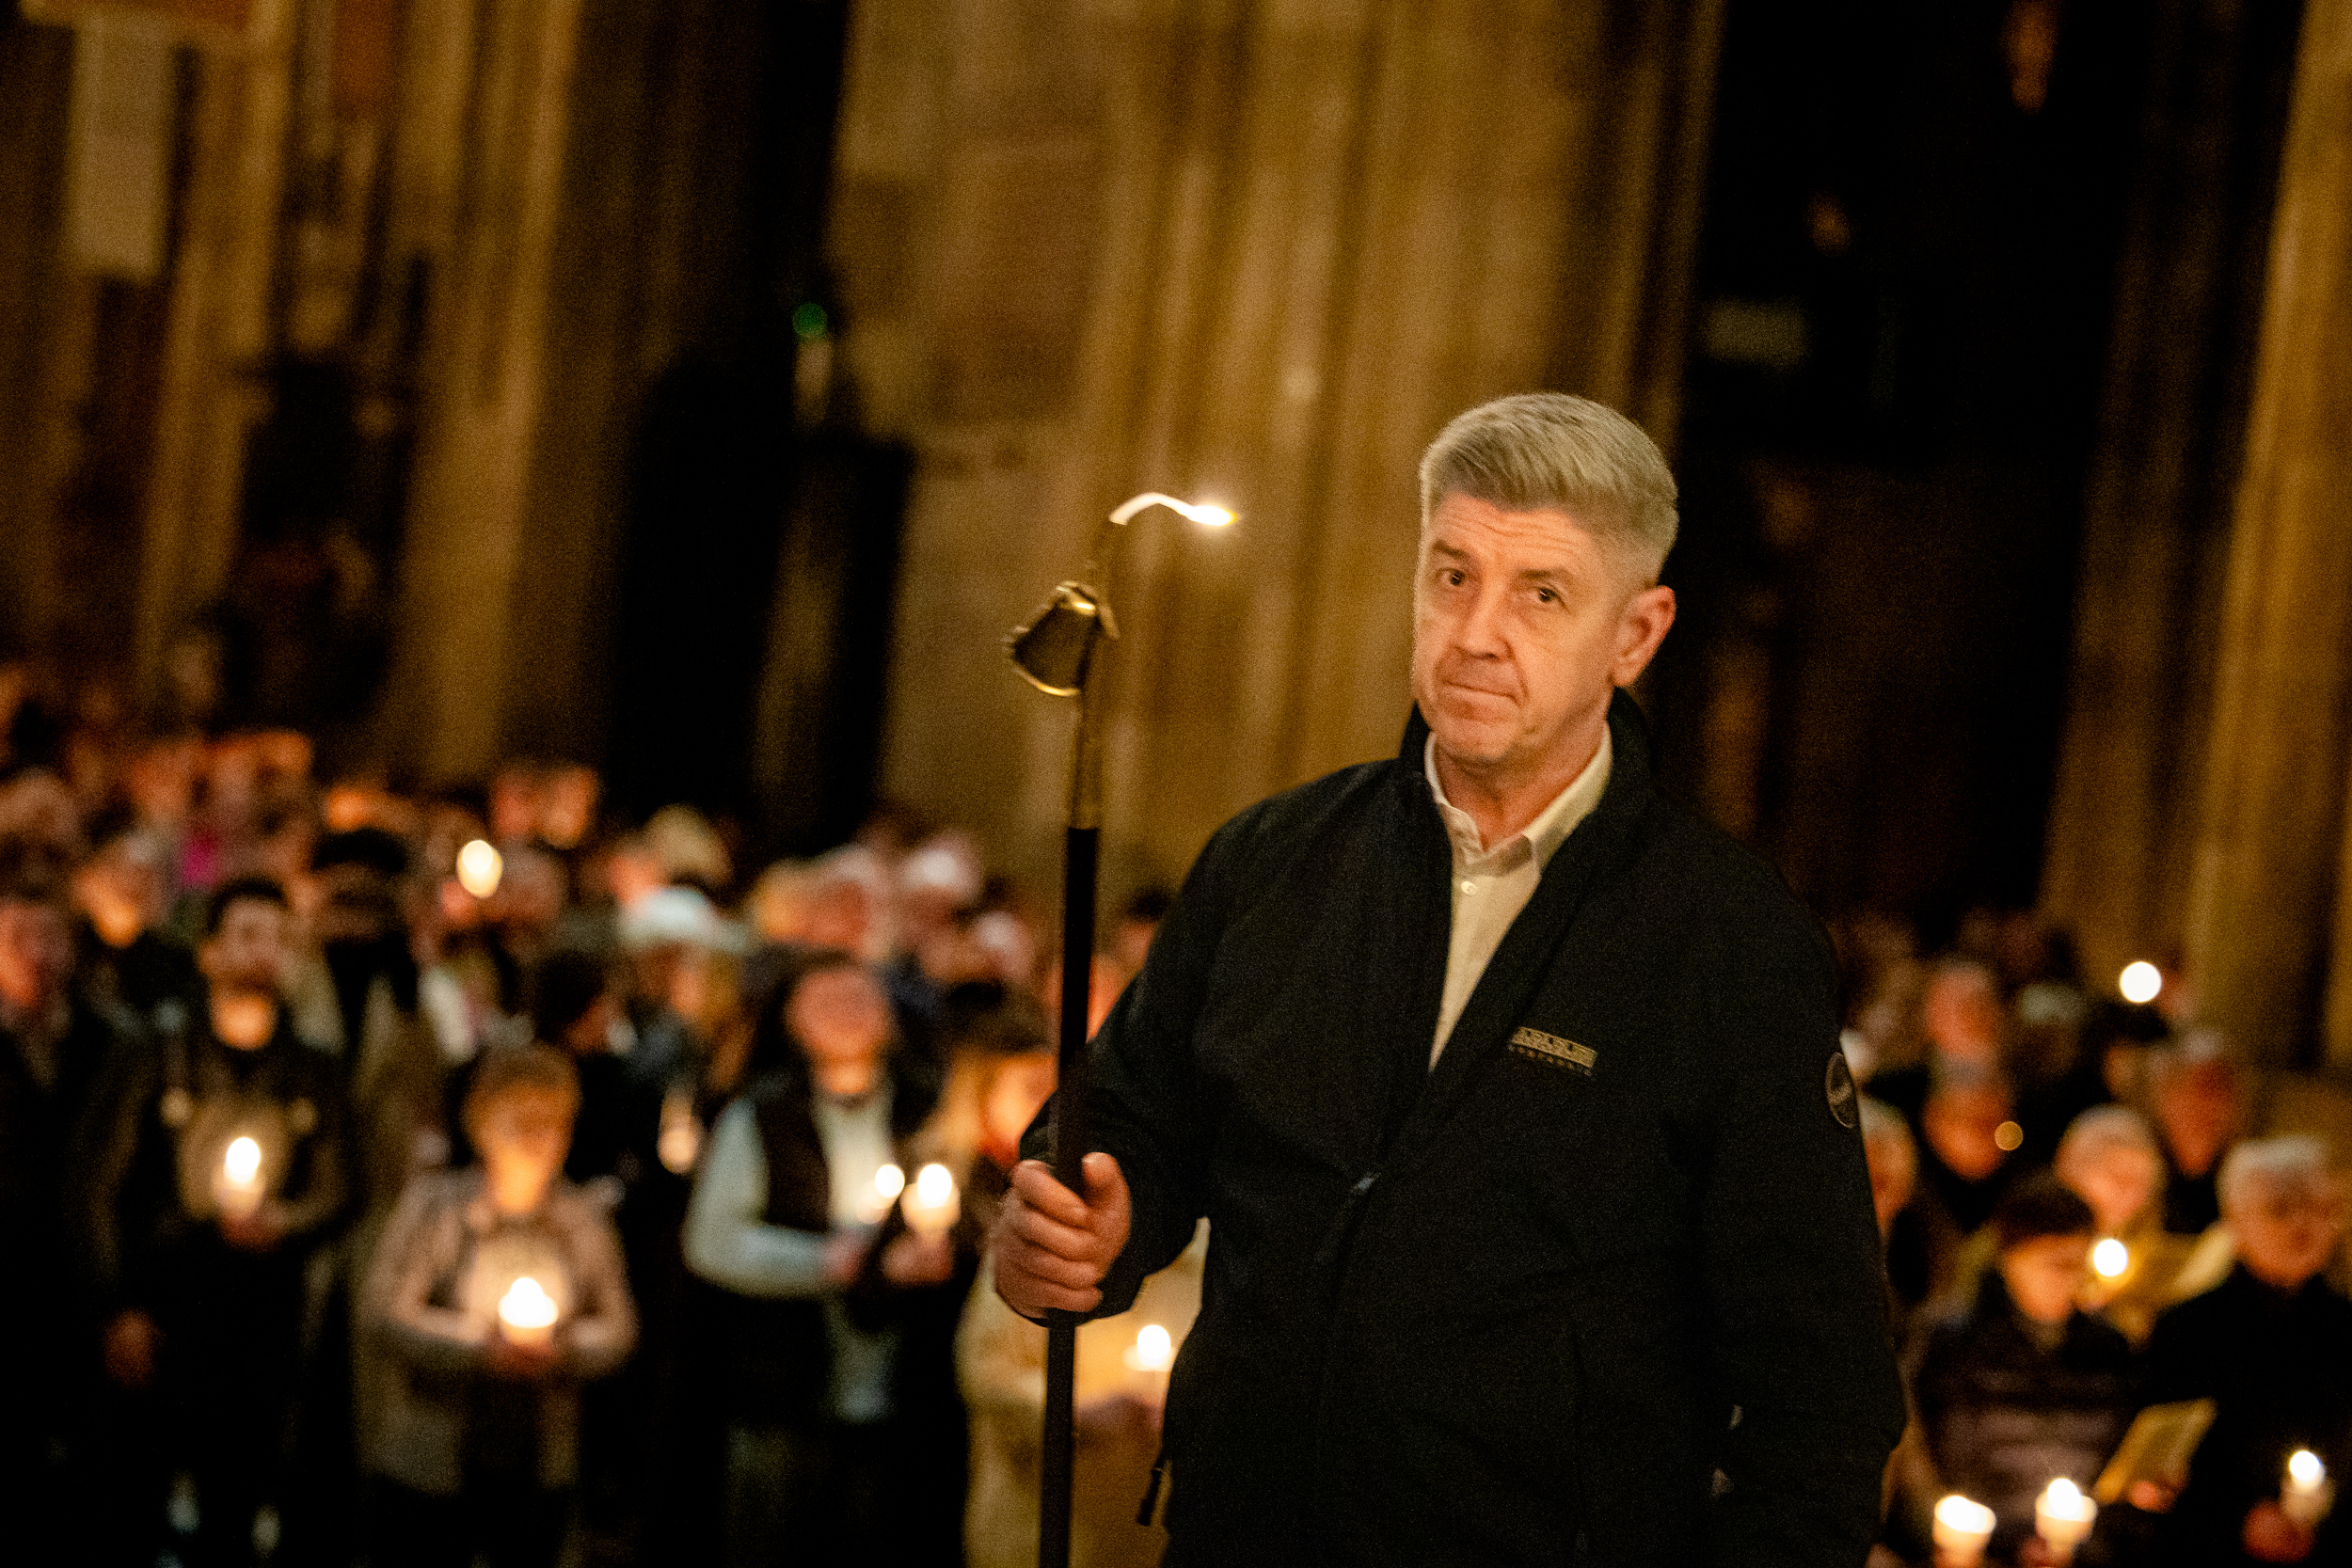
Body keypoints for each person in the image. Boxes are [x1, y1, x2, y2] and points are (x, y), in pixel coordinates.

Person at [993, 392, 1905, 1564]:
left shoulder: (1727, 941)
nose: (1476, 632)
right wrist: (1080, 1219)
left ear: (1635, 634)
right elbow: (1128, 1120)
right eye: (1452, 574)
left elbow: (1821, 1400)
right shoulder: (1272, 860)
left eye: (1541, 593)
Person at [78, 875, 355, 1567]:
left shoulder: (314, 1068)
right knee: (130, 1511)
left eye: (279, 938)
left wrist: (286, 1221)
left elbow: (341, 1185)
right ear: (209, 952)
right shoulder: (155, 1052)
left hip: (258, 1324)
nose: (263, 952)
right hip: (162, 1309)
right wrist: (116, 1306)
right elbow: (96, 1186)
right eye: (247, 935)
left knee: (233, 1511)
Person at [681, 950, 945, 1567]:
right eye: (826, 1002)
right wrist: (826, 1262)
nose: (847, 1014)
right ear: (793, 1020)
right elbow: (711, 1242)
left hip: (902, 1381)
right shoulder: (761, 1115)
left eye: (860, 998)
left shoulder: (923, 1109)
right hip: (784, 1380)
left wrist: (930, 1250)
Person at [363, 1043, 638, 1568]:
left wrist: (560, 1348)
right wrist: (478, 1347)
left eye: (552, 1123)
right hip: (433, 1451)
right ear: (483, 1125)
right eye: (521, 1120)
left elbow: (618, 1327)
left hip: (539, 1456)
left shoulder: (582, 1219)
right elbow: (383, 1311)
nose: (538, 1137)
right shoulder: (435, 1207)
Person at [2136, 1135, 2352, 1565]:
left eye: (2319, 1209)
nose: (2303, 1225)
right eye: (2280, 1209)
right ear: (2235, 1222)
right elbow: (2159, 1474)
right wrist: (2239, 1522)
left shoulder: (2345, 1326)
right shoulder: (2186, 1329)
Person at [1903, 1174, 2138, 1564]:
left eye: (2078, 1264)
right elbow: (1941, 1467)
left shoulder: (2108, 1349)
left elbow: (2115, 1463)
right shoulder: (1955, 1347)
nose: (2070, 1279)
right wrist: (2008, 1543)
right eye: (2055, 1264)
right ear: (2010, 1259)